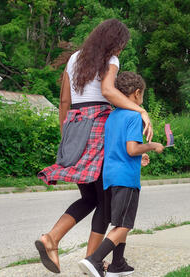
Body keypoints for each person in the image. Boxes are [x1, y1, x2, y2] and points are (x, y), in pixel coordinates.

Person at [35, 19, 153, 274]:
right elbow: (108, 91)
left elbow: (65, 100)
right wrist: (140, 109)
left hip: (73, 124)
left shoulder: (75, 58)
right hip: (98, 126)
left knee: (89, 197)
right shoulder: (110, 58)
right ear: (114, 42)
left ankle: (53, 239)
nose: (121, 50)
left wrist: (66, 135)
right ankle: (92, 260)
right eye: (121, 44)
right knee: (104, 201)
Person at [79, 71, 164, 277]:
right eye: (142, 95)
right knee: (125, 225)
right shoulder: (134, 115)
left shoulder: (113, 116)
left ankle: (118, 264)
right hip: (126, 179)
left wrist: (139, 157)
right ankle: (94, 260)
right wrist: (151, 146)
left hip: (109, 177)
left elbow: (121, 149)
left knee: (119, 222)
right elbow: (132, 149)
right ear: (136, 93)